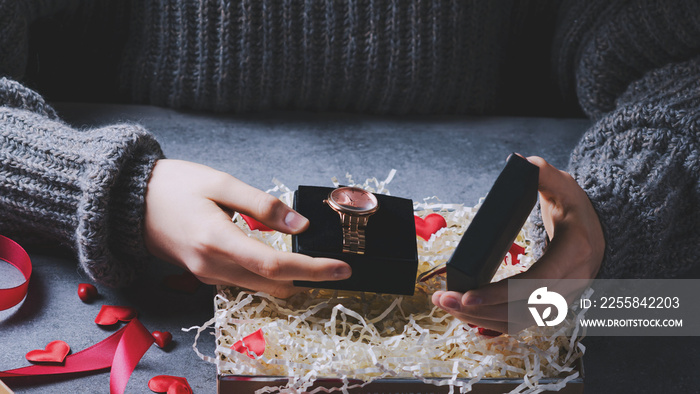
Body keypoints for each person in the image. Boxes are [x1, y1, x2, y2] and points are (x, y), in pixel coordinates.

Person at [0, 1, 697, 332]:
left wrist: (624, 201)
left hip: (534, 283)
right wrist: (109, 186)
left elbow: (674, 50)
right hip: (127, 286)